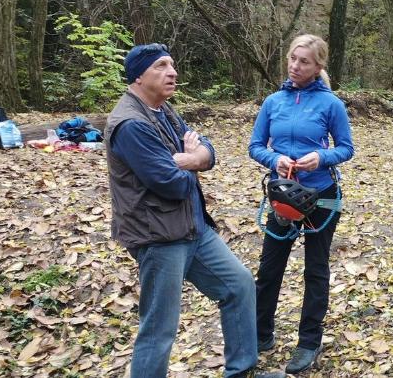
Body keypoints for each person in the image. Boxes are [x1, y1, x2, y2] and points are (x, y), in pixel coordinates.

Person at [105, 43, 284, 378]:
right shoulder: (130, 124)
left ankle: (241, 370)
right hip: (158, 236)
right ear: (138, 76)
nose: (172, 72)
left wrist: (192, 159)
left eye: (172, 64)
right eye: (161, 66)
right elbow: (172, 184)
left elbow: (209, 152)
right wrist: (194, 162)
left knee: (239, 286)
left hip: (192, 227)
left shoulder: (164, 110)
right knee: (159, 327)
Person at [249, 34, 355, 374]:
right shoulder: (273, 102)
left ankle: (309, 341)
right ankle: (260, 334)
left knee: (315, 270)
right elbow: (254, 146)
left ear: (318, 67)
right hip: (282, 195)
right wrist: (275, 159)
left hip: (321, 197)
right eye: (293, 59)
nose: (295, 66)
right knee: (269, 268)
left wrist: (320, 158)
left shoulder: (331, 105)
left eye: (304, 61)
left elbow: (346, 148)